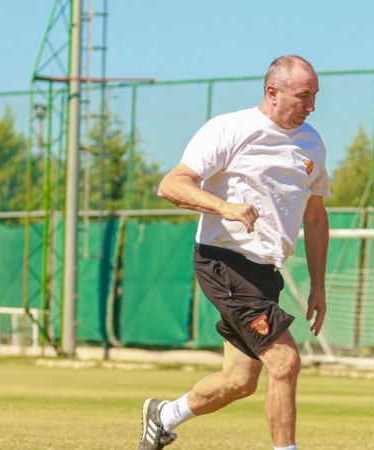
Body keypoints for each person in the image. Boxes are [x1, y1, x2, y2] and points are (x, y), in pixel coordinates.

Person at [139, 55, 330, 450]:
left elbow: (315, 217)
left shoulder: (312, 143)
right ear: (272, 92)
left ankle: (164, 415)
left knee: (240, 381)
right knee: (284, 361)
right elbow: (171, 185)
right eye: (303, 96)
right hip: (223, 261)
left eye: (314, 97)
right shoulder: (230, 128)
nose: (311, 106)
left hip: (265, 274)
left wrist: (318, 285)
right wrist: (223, 207)